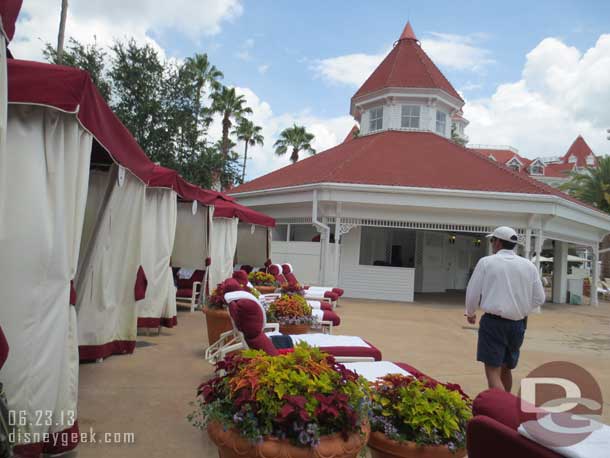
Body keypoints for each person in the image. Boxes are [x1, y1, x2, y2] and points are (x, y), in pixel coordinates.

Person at [465, 226, 545, 392]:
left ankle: (501, 410)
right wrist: (521, 309)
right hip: (518, 324)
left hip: (494, 323)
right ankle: (507, 405)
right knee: (506, 367)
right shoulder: (529, 266)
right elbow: (539, 298)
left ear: (499, 242)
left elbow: (473, 291)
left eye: (492, 240)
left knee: (493, 371)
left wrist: (470, 312)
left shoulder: (486, 262)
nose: (492, 243)